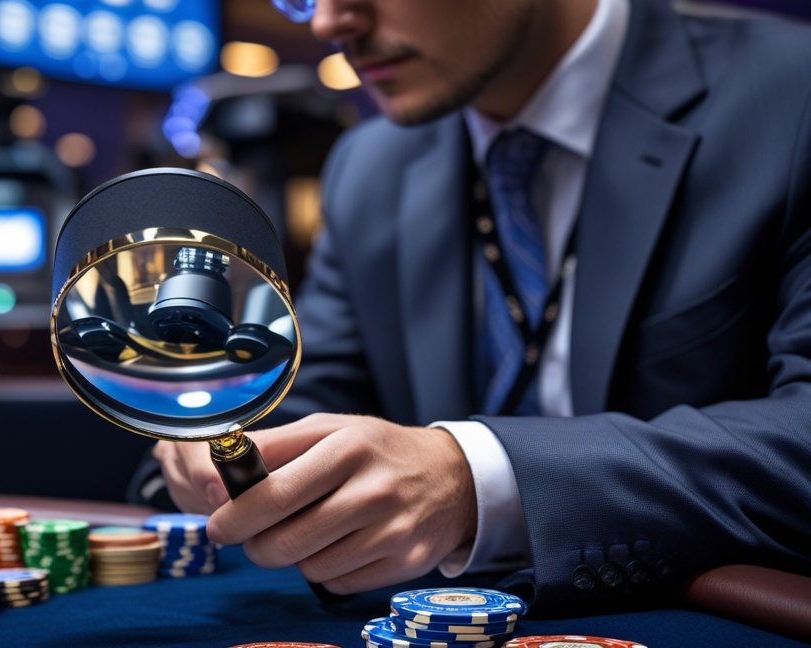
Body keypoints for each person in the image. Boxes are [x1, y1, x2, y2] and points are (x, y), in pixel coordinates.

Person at [148, 0, 811, 612]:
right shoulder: (369, 165)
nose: (328, 21)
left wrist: (480, 480)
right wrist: (228, 431)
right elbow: (312, 395)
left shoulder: (790, 97)